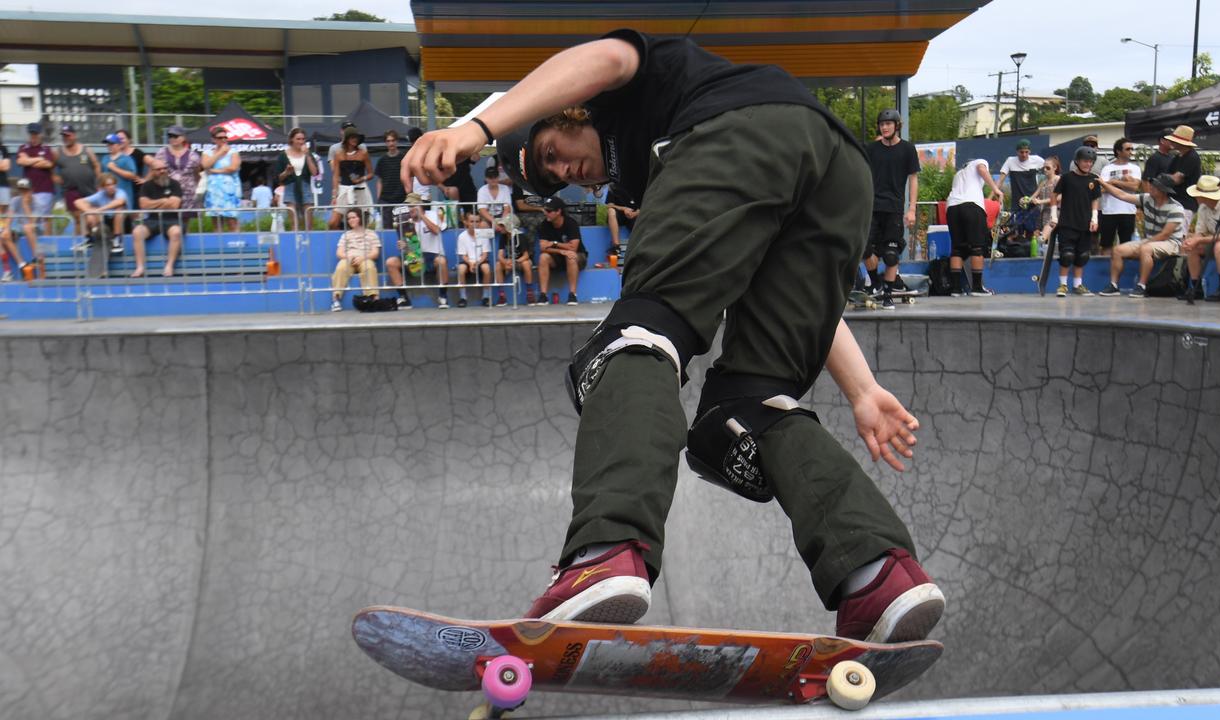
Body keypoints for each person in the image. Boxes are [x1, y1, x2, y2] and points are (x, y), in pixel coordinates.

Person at [402, 29, 938, 640]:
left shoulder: (634, 91)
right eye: (553, 178)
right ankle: (876, 570)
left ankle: (603, 552)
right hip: (838, 173)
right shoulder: (666, 178)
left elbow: (600, 57)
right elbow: (776, 274)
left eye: (552, 149)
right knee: (743, 410)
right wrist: (862, 389)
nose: (565, 170)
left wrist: (475, 128)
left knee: (633, 337)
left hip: (745, 131)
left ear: (568, 112)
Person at [862, 109, 918, 308]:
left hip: (894, 209)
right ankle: (875, 283)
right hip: (872, 208)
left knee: (891, 254)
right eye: (881, 124)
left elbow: (913, 179)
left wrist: (911, 209)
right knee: (864, 247)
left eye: (888, 124)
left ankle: (887, 294)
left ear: (897, 126)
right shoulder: (872, 149)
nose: (884, 127)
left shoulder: (907, 149)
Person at [1096, 173, 1185, 298]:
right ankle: (1114, 285)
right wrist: (1104, 183)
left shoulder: (1176, 208)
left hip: (1171, 242)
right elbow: (1123, 195)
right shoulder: (1147, 198)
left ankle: (1141, 286)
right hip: (1150, 240)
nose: (1151, 187)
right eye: (1152, 184)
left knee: (1145, 249)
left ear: (1164, 190)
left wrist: (1145, 244)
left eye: (1155, 186)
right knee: (1117, 250)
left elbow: (1165, 234)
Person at [945, 155, 1003, 295]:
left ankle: (956, 288)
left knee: (957, 248)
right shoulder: (979, 162)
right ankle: (977, 287)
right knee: (977, 247)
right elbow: (982, 169)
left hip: (952, 208)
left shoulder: (958, 174)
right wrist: (996, 189)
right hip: (971, 207)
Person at [1050, 146, 1101, 297]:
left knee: (1083, 255)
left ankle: (1078, 285)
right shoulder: (1066, 178)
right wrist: (1054, 215)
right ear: (1077, 161)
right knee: (1067, 255)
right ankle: (1063, 285)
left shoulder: (1093, 179)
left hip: (1085, 223)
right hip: (1067, 223)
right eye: (1085, 161)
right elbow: (1054, 195)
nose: (1088, 164)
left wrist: (1094, 218)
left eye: (1091, 162)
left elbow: (1095, 200)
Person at [132, 160, 186, 277]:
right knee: (137, 232)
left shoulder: (175, 184)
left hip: (172, 219)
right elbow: (143, 205)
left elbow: (175, 205)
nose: (163, 171)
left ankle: (169, 266)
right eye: (159, 169)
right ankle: (140, 267)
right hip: (152, 220)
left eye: (164, 168)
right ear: (152, 171)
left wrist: (153, 204)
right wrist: (163, 201)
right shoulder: (147, 185)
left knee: (176, 232)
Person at [534, 196, 585, 305]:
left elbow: (573, 248)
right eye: (544, 210)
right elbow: (543, 247)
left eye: (548, 211)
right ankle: (543, 295)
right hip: (557, 257)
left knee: (570, 256)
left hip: (578, 256)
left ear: (558, 211)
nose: (545, 213)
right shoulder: (544, 225)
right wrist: (561, 251)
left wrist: (554, 244)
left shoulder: (571, 223)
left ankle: (572, 294)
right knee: (543, 257)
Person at [1095, 138, 1142, 256]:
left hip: (1128, 211)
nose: (1131, 151)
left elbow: (1135, 187)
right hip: (1109, 211)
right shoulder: (1107, 168)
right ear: (1118, 151)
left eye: (1132, 149)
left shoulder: (1135, 168)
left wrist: (1114, 182)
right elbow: (1101, 189)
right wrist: (1123, 184)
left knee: (1127, 245)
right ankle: (1105, 270)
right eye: (1128, 149)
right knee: (1106, 244)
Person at [53, 124, 100, 236]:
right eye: (63, 136)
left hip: (89, 189)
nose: (65, 138)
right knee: (79, 218)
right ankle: (81, 242)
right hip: (70, 190)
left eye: (68, 135)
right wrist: (55, 178)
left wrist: (98, 181)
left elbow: (96, 165)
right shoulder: (58, 152)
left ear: (74, 135)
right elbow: (50, 169)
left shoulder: (86, 150)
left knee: (93, 218)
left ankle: (91, 239)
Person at [330, 209, 381, 311]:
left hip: (365, 258)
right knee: (341, 268)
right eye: (349, 218)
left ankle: (374, 298)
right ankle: (336, 299)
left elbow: (375, 253)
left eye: (353, 217)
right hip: (349, 259)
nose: (351, 220)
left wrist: (363, 258)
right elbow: (339, 252)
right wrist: (348, 257)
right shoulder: (346, 235)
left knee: (369, 267)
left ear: (360, 218)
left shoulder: (372, 234)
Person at [73, 173, 130, 262]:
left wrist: (100, 209)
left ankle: (117, 239)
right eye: (108, 185)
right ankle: (89, 239)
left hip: (124, 223)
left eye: (113, 184)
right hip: (106, 222)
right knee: (87, 210)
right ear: (103, 187)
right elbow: (78, 202)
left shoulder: (120, 192)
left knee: (119, 209)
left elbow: (120, 202)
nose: (111, 187)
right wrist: (89, 211)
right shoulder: (100, 194)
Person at [999, 139, 1044, 251]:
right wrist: (990, 197)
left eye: (1026, 152)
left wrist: (1038, 193)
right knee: (1013, 232)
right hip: (1016, 204)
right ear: (1017, 152)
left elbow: (1050, 172)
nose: (1024, 154)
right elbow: (1000, 180)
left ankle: (1030, 253)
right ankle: (1015, 252)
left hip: (1033, 202)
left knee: (1032, 232)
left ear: (1029, 151)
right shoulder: (1010, 161)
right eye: (1021, 152)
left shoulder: (1037, 160)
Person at [409, 194, 452, 308]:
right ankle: (403, 299)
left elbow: (436, 230)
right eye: (408, 206)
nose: (410, 209)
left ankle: (443, 297)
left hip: (434, 254)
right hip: (416, 256)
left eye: (412, 205)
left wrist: (422, 216)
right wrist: (403, 245)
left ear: (420, 205)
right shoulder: (406, 221)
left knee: (441, 261)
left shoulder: (432, 214)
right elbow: (409, 246)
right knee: (391, 262)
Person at [154, 126, 202, 228]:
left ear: (183, 138)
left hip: (187, 193)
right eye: (170, 136)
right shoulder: (162, 152)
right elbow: (155, 170)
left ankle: (184, 242)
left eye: (175, 136)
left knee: (185, 223)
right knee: (169, 221)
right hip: (168, 191)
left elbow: (197, 173)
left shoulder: (193, 155)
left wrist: (196, 187)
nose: (172, 138)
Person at [329, 127, 374, 229]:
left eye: (356, 137)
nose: (355, 139)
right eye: (352, 137)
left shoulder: (363, 153)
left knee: (362, 222)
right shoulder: (338, 155)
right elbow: (335, 176)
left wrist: (361, 179)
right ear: (347, 139)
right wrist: (334, 195)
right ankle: (342, 239)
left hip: (360, 190)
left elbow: (371, 174)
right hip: (344, 190)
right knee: (333, 223)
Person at [17, 123, 57, 235]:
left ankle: (47, 243)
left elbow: (48, 164)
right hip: (28, 190)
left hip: (45, 189)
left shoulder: (46, 148)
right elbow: (21, 161)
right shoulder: (23, 147)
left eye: (35, 133)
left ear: (40, 134)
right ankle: (32, 244)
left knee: (44, 218)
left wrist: (29, 160)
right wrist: (39, 159)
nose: (33, 136)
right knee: (29, 218)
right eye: (31, 133)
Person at [276, 128, 319, 231]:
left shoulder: (309, 153)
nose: (301, 141)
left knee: (309, 224)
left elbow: (314, 173)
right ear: (292, 140)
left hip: (306, 187)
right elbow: (279, 178)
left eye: (303, 139)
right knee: (294, 223)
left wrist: (308, 155)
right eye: (298, 139)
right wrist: (286, 172)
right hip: (290, 187)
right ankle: (295, 245)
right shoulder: (283, 155)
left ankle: (309, 244)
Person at [201, 125, 242, 233]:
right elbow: (205, 165)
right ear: (213, 139)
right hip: (214, 191)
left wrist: (215, 171)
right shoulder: (207, 153)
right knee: (217, 224)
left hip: (230, 191)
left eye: (225, 137)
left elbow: (233, 168)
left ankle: (236, 246)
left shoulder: (233, 152)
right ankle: (219, 247)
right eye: (220, 138)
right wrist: (220, 153)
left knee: (232, 222)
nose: (224, 140)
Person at [495, 203, 536, 306]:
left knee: (527, 264)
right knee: (498, 265)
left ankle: (530, 293)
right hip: (509, 261)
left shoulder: (520, 237)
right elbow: (500, 255)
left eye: (503, 225)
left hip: (520, 260)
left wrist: (515, 261)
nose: (501, 227)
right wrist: (506, 262)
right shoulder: (503, 237)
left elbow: (526, 255)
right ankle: (502, 296)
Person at [1164, 126, 1201, 230]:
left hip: (1185, 203)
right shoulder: (1177, 157)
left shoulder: (1192, 157)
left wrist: (1163, 179)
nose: (1172, 142)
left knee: (1179, 235)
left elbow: (1176, 179)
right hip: (1174, 202)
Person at [455, 211, 492, 307]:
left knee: (486, 268)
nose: (474, 224)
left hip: (481, 260)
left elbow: (485, 254)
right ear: (466, 222)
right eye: (471, 221)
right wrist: (471, 263)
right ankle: (463, 297)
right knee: (461, 269)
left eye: (477, 221)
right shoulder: (462, 236)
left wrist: (478, 262)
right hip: (468, 261)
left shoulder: (483, 234)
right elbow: (463, 255)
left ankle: (486, 297)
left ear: (480, 223)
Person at [4, 178, 41, 270]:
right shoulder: (15, 200)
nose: (23, 193)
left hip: (36, 228)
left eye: (25, 190)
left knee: (27, 228)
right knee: (4, 235)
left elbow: (32, 222)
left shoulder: (38, 202)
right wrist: (7, 228)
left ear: (31, 190)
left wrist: (25, 205)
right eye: (21, 190)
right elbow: (10, 216)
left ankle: (36, 257)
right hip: (21, 228)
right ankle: (21, 263)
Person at [375, 130, 408, 230]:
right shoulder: (382, 160)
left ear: (397, 141)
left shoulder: (404, 158)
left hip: (401, 199)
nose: (391, 143)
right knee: (387, 230)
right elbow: (379, 180)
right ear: (386, 143)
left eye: (393, 140)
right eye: (388, 141)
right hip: (386, 200)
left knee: (404, 228)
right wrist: (379, 199)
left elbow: (408, 178)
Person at [477, 165, 517, 246]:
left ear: (498, 177)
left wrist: (502, 222)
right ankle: (485, 251)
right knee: (482, 226)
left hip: (503, 216)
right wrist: (494, 222)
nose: (493, 179)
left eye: (495, 177)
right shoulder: (482, 190)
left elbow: (507, 208)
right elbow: (482, 210)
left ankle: (508, 251)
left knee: (509, 225)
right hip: (488, 217)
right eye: (490, 177)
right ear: (486, 179)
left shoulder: (505, 188)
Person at [1028, 155, 1061, 249]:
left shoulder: (1058, 179)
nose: (1045, 170)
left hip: (1056, 212)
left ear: (1055, 168)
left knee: (1043, 238)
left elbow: (1059, 197)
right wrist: (1026, 200)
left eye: (1048, 168)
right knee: (1039, 237)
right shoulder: (1044, 182)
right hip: (1043, 213)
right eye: (1044, 168)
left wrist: (1041, 201)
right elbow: (1034, 195)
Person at [602, 184, 638, 264]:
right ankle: (616, 247)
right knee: (611, 211)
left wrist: (635, 213)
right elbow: (609, 205)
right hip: (620, 215)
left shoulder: (640, 184)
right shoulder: (614, 186)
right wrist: (624, 208)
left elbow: (646, 204)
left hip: (635, 214)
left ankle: (639, 248)